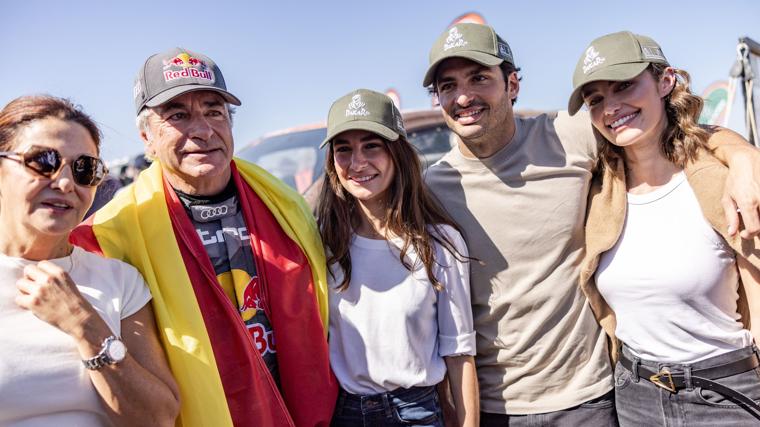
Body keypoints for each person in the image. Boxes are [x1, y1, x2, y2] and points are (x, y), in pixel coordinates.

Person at [421, 23, 760, 426]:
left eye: (479, 78)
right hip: (496, 406)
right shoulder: (431, 187)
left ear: (512, 85)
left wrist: (743, 157)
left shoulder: (569, 135)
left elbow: (678, 130)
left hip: (589, 399)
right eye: (448, 86)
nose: (464, 97)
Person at [70, 48, 337, 426]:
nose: (203, 129)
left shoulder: (284, 204)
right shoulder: (110, 234)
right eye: (178, 115)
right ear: (146, 137)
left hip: (300, 411)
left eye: (214, 111)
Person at [571, 31, 760, 426]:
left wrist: (744, 155)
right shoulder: (598, 190)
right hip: (635, 395)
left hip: (727, 394)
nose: (612, 107)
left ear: (665, 81)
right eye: (596, 99)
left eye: (624, 85)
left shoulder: (720, 178)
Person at [0, 95, 179, 426]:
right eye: (43, 161)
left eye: (85, 169)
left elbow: (159, 418)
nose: (67, 183)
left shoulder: (121, 281)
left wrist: (84, 324)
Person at [317, 88, 478, 426]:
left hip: (418, 412)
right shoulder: (322, 243)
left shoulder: (440, 243)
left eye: (371, 146)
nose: (357, 163)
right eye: (343, 149)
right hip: (344, 413)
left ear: (397, 153)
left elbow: (459, 355)